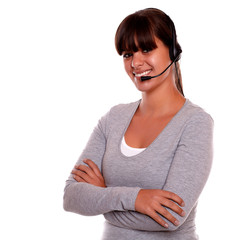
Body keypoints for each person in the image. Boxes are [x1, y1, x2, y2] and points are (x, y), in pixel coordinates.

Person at [63, 8, 213, 240]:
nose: (135, 62)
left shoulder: (195, 123)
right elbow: (71, 197)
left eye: (146, 49)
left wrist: (102, 196)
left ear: (173, 51)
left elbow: (169, 218)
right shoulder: (113, 118)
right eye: (127, 54)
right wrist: (136, 199)